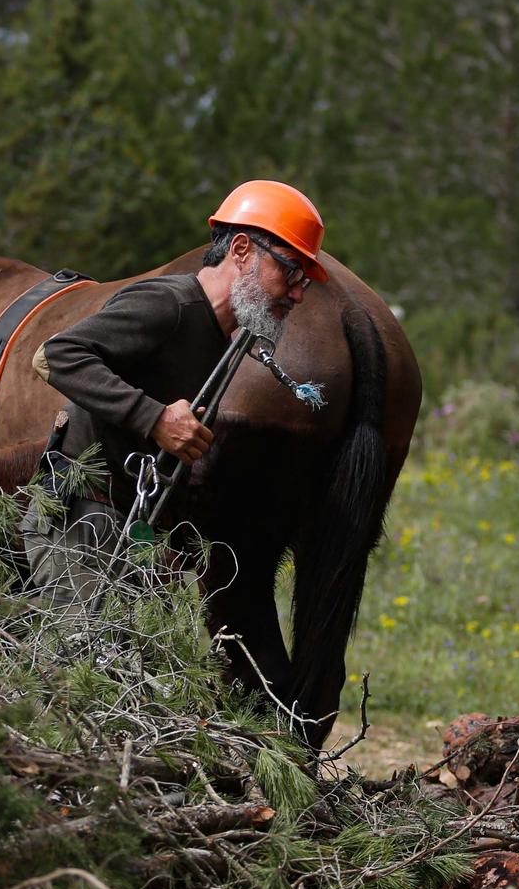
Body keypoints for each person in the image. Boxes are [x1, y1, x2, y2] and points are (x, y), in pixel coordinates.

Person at [21, 180, 327, 601]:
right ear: (240, 251)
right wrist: (156, 418)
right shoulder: (170, 304)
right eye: (290, 271)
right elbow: (53, 355)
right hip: (81, 519)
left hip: (132, 527)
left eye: (304, 281)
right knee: (90, 663)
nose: (297, 293)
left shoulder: (223, 335)